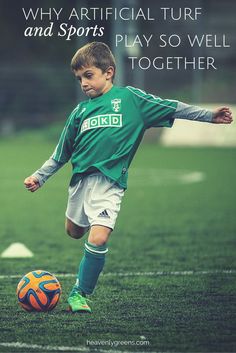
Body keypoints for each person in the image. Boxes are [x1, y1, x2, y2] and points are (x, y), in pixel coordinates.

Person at [24, 42, 233, 313]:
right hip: (80, 184)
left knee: (98, 239)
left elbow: (173, 107)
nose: (83, 83)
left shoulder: (131, 100)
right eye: (79, 79)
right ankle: (88, 230)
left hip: (110, 184)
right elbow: (60, 154)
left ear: (108, 72)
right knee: (74, 232)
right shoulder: (79, 112)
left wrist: (209, 115)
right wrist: (39, 177)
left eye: (88, 75)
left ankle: (80, 293)